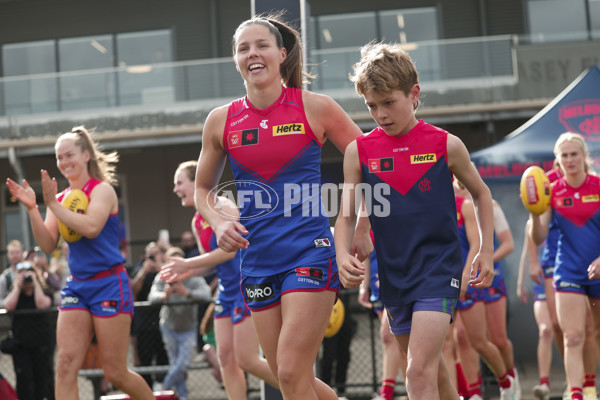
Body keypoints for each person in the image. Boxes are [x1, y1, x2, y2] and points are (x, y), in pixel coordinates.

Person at [191, 14, 364, 399]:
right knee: (290, 378)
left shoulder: (315, 107)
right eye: (243, 48)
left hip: (310, 254)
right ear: (235, 60)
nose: (253, 54)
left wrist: (359, 226)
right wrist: (218, 222)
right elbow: (203, 188)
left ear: (281, 54)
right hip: (256, 263)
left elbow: (368, 161)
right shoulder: (221, 121)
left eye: (261, 45)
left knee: (288, 369)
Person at [334, 42, 496, 400]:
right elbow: (345, 213)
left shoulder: (446, 144)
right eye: (371, 106)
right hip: (393, 273)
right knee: (430, 371)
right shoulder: (358, 152)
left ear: (414, 93)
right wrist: (341, 253)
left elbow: (482, 194)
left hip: (438, 269)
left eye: (388, 102)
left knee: (417, 371)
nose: (380, 114)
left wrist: (485, 250)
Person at [6, 125, 154, 400]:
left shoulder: (102, 191)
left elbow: (91, 227)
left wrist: (53, 205)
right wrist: (32, 209)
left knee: (115, 372)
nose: (64, 162)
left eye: (69, 155)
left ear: (86, 155)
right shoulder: (59, 199)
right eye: (59, 157)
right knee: (64, 366)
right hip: (77, 287)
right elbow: (49, 244)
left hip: (110, 283)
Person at [161, 160, 278, 399]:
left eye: (179, 183)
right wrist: (185, 272)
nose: (175, 189)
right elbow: (211, 262)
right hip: (225, 291)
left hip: (247, 287)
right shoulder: (197, 220)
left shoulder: (223, 205)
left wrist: (188, 263)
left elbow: (231, 249)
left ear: (198, 182)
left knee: (247, 359)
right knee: (225, 359)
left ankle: (302, 386)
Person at [530, 132, 600, 400]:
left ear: (584, 157)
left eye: (574, 154)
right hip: (568, 272)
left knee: (597, 332)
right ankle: (576, 392)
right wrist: (535, 214)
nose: (570, 160)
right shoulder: (552, 193)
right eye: (564, 156)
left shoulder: (597, 185)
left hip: (598, 271)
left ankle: (591, 385)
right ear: (557, 161)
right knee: (572, 336)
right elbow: (539, 236)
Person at [453, 180, 515, 400]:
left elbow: (508, 244)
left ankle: (509, 378)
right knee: (459, 337)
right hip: (451, 279)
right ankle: (470, 393)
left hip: (487, 276)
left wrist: (482, 263)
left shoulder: (489, 204)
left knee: (494, 339)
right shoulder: (440, 202)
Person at [148, 246, 212, 400]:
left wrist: (188, 293)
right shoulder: (163, 276)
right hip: (168, 326)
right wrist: (164, 296)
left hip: (188, 327)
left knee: (183, 363)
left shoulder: (193, 276)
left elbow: (206, 294)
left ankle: (163, 387)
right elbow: (152, 297)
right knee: (175, 363)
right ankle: (183, 396)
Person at [358, 237, 407, 400]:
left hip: (401, 280)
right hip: (378, 285)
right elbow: (364, 250)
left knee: (388, 335)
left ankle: (386, 394)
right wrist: (364, 287)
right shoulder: (367, 217)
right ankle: (413, 392)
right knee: (399, 345)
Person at [3, 260, 55, 400]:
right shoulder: (16, 292)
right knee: (24, 379)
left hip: (41, 345)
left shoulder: (44, 291)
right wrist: (18, 287)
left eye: (29, 273)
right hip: (21, 346)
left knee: (43, 378)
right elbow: (8, 305)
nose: (26, 276)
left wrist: (36, 284)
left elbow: (42, 304)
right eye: (22, 274)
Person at [517, 219, 554, 400]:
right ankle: (544, 383)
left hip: (564, 278)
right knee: (545, 330)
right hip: (540, 282)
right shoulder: (531, 223)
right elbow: (526, 252)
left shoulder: (561, 214)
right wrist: (520, 282)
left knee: (572, 331)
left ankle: (578, 382)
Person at [129, 241, 169, 390]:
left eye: (156, 254)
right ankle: (146, 391)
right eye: (151, 255)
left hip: (163, 322)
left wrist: (160, 268)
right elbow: (133, 292)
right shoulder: (139, 269)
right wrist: (144, 272)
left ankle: (164, 390)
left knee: (163, 359)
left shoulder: (165, 269)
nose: (153, 258)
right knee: (144, 361)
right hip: (144, 325)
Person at [0, 240, 25, 307]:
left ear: (22, 253)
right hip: (13, 316)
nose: (15, 255)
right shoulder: (5, 277)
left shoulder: (32, 271)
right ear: (8, 255)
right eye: (12, 253)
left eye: (17, 252)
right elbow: (1, 302)